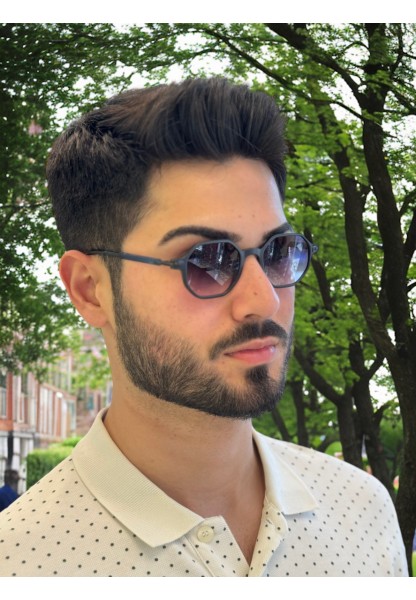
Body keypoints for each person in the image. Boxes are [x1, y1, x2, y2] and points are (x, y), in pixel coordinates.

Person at [0, 78, 408, 577]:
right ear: (90, 289)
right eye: (207, 260)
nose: (264, 299)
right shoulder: (20, 562)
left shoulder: (363, 513)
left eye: (278, 252)